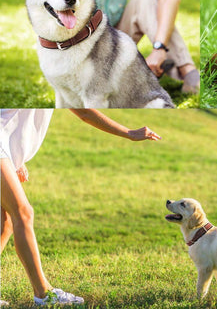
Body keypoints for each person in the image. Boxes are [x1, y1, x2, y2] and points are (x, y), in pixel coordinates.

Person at [0, 109, 160, 306]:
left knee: (6, 222)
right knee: (23, 213)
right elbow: (84, 113)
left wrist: (14, 158)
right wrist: (128, 132)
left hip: (4, 147)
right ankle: (44, 293)